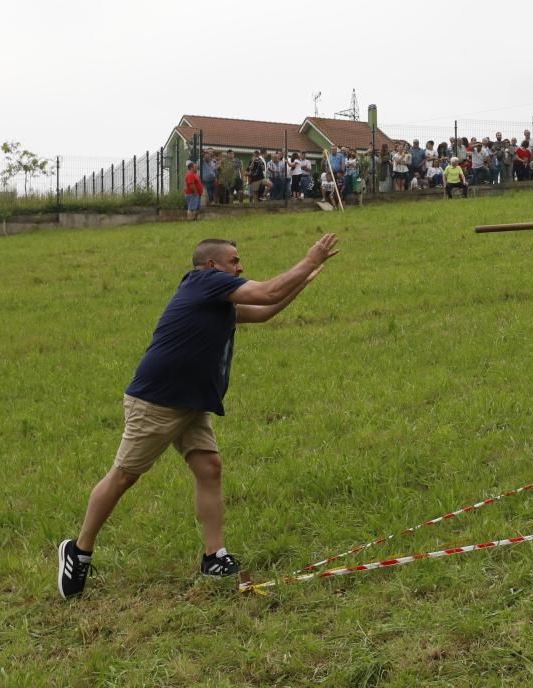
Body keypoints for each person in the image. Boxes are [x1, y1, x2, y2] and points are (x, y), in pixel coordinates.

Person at [57, 234, 340, 599]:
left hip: (190, 401)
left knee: (210, 468)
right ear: (211, 266)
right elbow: (268, 292)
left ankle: (214, 557)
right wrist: (308, 258)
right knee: (124, 476)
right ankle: (78, 552)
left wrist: (304, 276)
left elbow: (266, 309)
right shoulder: (204, 283)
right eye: (234, 261)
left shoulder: (217, 300)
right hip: (157, 400)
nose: (240, 267)